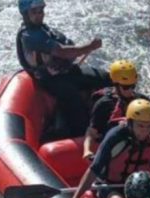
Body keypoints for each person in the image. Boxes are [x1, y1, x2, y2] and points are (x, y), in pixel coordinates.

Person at [64, 99, 150, 198]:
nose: (145, 131)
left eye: (149, 126)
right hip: (109, 185)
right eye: (140, 126)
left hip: (139, 185)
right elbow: (94, 169)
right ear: (130, 123)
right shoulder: (115, 137)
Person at [16, 0, 111, 136]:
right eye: (34, 12)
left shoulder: (44, 29)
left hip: (65, 72)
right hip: (49, 79)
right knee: (72, 99)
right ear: (25, 14)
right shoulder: (29, 36)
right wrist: (89, 47)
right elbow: (61, 51)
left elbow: (66, 45)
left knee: (105, 78)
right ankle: (81, 133)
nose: (40, 15)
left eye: (41, 11)